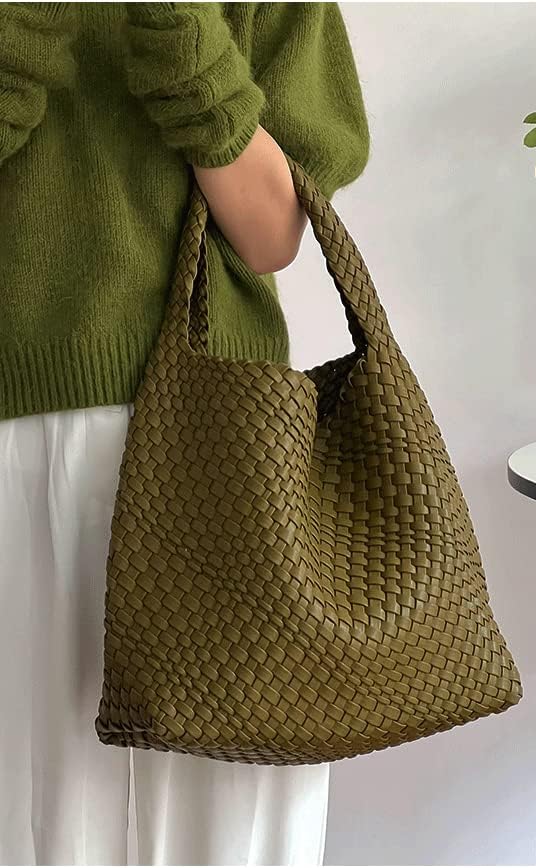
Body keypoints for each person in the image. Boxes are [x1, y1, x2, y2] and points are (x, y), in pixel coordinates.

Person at [0, 1, 370, 863]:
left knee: (227, 811)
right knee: (30, 805)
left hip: (218, 438)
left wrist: (179, 27)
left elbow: (272, 234)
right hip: (14, 442)